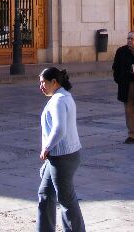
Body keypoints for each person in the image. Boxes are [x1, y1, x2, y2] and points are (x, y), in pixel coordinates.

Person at [37, 67, 85, 232]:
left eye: (43, 82)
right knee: (45, 193)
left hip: (62, 157)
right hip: (60, 156)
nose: (41, 86)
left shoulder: (59, 100)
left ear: (54, 82)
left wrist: (46, 148)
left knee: (66, 200)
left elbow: (59, 129)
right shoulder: (63, 96)